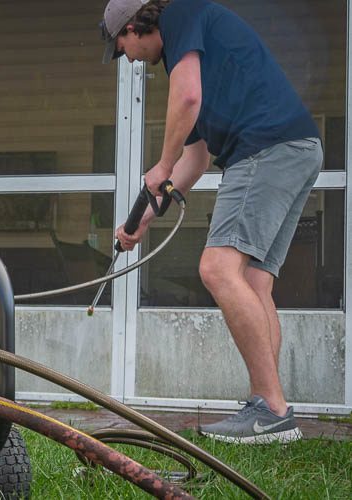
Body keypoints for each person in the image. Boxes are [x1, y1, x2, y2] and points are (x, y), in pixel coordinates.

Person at [100, 0, 323, 444]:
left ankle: (272, 409)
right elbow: (197, 158)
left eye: (122, 47)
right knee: (254, 282)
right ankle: (269, 407)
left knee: (217, 268)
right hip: (298, 148)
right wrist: (145, 218)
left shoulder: (180, 15)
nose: (127, 59)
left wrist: (162, 164)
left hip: (264, 147)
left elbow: (187, 99)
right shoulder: (193, 55)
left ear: (132, 27)